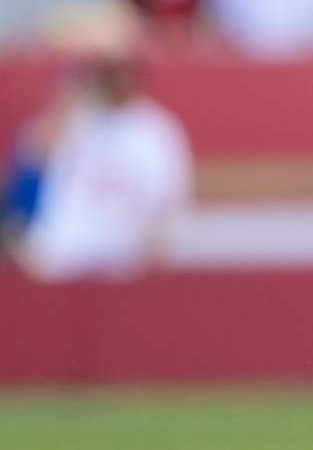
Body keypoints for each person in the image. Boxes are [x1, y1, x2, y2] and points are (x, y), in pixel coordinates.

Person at [18, 53, 193, 282]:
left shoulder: (157, 129)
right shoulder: (78, 114)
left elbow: (168, 199)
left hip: (124, 254)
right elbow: (33, 155)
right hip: (63, 251)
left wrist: (153, 252)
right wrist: (68, 95)